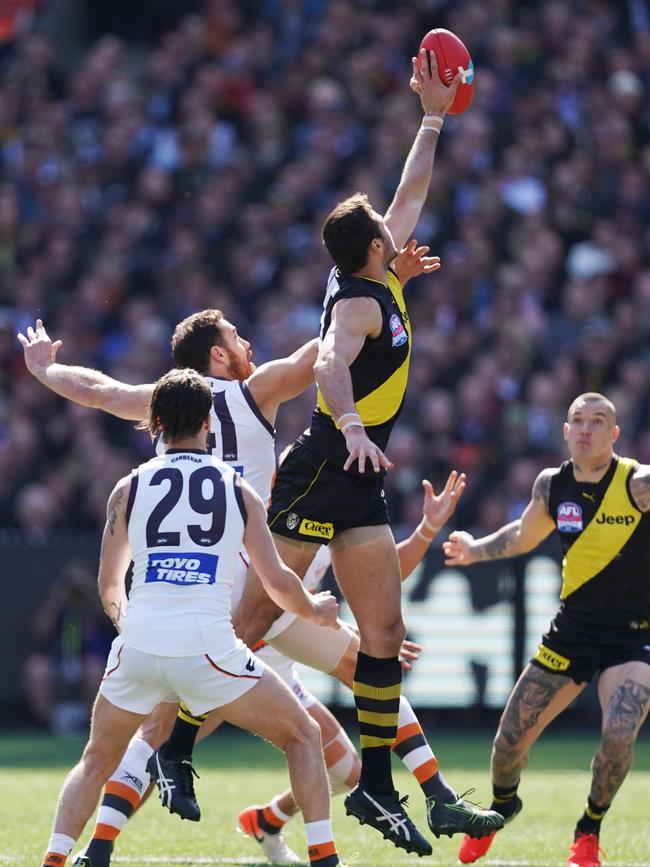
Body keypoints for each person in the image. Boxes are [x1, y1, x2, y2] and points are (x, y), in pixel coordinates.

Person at [229, 46, 502, 855]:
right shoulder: (357, 302)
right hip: (324, 463)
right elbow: (329, 364)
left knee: (382, 633)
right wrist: (349, 425)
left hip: (356, 478)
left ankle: (379, 786)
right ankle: (165, 748)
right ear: (376, 247)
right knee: (244, 628)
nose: (398, 223)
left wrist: (430, 116)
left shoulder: (380, 279)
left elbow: (412, 187)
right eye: (386, 228)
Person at [41, 368, 343, 867]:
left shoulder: (128, 488)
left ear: (154, 422)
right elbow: (277, 582)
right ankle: (325, 859)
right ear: (209, 423)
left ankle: (56, 859)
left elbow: (109, 584)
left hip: (137, 648)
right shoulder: (237, 488)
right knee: (304, 735)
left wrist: (132, 630)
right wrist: (318, 612)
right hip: (207, 650)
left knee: (96, 760)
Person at [443, 393, 650, 867]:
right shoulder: (552, 485)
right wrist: (474, 550)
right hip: (573, 630)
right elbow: (521, 535)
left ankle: (588, 830)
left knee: (619, 734)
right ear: (564, 430)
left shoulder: (638, 485)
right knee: (508, 744)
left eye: (598, 422)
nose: (586, 430)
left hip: (633, 635)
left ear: (614, 435)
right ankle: (501, 807)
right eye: (577, 420)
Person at [23, 560, 114, 732]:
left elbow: (109, 620)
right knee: (36, 668)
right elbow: (41, 629)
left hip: (87, 658)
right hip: (59, 658)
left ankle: (89, 722)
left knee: (94, 668)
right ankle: (47, 723)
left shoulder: (93, 604)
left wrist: (90, 591)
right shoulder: (59, 603)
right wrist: (58, 597)